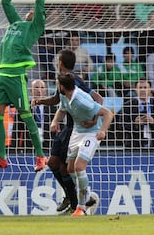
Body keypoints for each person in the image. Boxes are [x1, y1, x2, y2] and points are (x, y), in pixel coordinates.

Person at [0, 0, 48, 172]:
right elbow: (5, 1)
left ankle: (40, 156)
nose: (31, 11)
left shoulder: (34, 27)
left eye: (35, 12)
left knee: (25, 114)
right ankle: (2, 157)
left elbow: (40, 3)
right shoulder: (15, 23)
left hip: (16, 76)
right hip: (0, 75)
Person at [34, 49, 103, 214]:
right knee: (52, 163)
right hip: (66, 128)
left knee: (67, 168)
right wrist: (40, 102)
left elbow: (98, 99)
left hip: (76, 129)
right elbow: (58, 99)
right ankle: (71, 196)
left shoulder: (75, 80)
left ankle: (79, 202)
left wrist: (94, 120)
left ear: (61, 63)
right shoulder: (62, 81)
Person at [50, 72, 113, 217]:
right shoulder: (65, 96)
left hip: (91, 133)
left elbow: (108, 113)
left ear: (61, 86)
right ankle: (88, 197)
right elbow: (62, 109)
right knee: (70, 168)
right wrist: (55, 122)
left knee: (79, 167)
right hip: (77, 132)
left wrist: (102, 131)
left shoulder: (82, 100)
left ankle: (81, 207)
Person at [116, 78, 154, 148]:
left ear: (150, 89)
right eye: (140, 87)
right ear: (135, 89)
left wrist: (153, 122)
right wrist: (135, 124)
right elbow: (120, 127)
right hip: (133, 146)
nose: (143, 90)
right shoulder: (127, 105)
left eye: (145, 87)